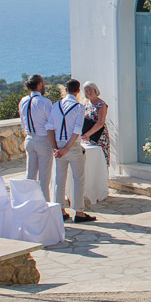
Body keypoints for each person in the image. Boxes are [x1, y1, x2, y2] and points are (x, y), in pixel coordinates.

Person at [51, 79, 95, 222]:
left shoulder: (55, 105)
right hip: (72, 146)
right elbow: (77, 131)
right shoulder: (78, 107)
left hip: (58, 145)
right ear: (78, 91)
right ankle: (79, 212)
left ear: (65, 89)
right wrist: (66, 149)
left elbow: (50, 128)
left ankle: (60, 210)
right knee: (78, 179)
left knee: (60, 180)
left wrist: (56, 149)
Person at [18, 74, 58, 200]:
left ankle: (29, 202)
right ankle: (45, 205)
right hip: (42, 139)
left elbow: (23, 122)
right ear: (40, 84)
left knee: (30, 175)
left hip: (29, 138)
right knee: (44, 178)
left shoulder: (23, 101)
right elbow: (51, 124)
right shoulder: (45, 102)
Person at [80, 80, 111, 171]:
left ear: (95, 90)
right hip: (88, 137)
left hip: (99, 136)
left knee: (101, 160)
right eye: (86, 90)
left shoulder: (101, 105)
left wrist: (88, 134)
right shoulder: (86, 105)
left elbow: (100, 122)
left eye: (90, 90)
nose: (89, 92)